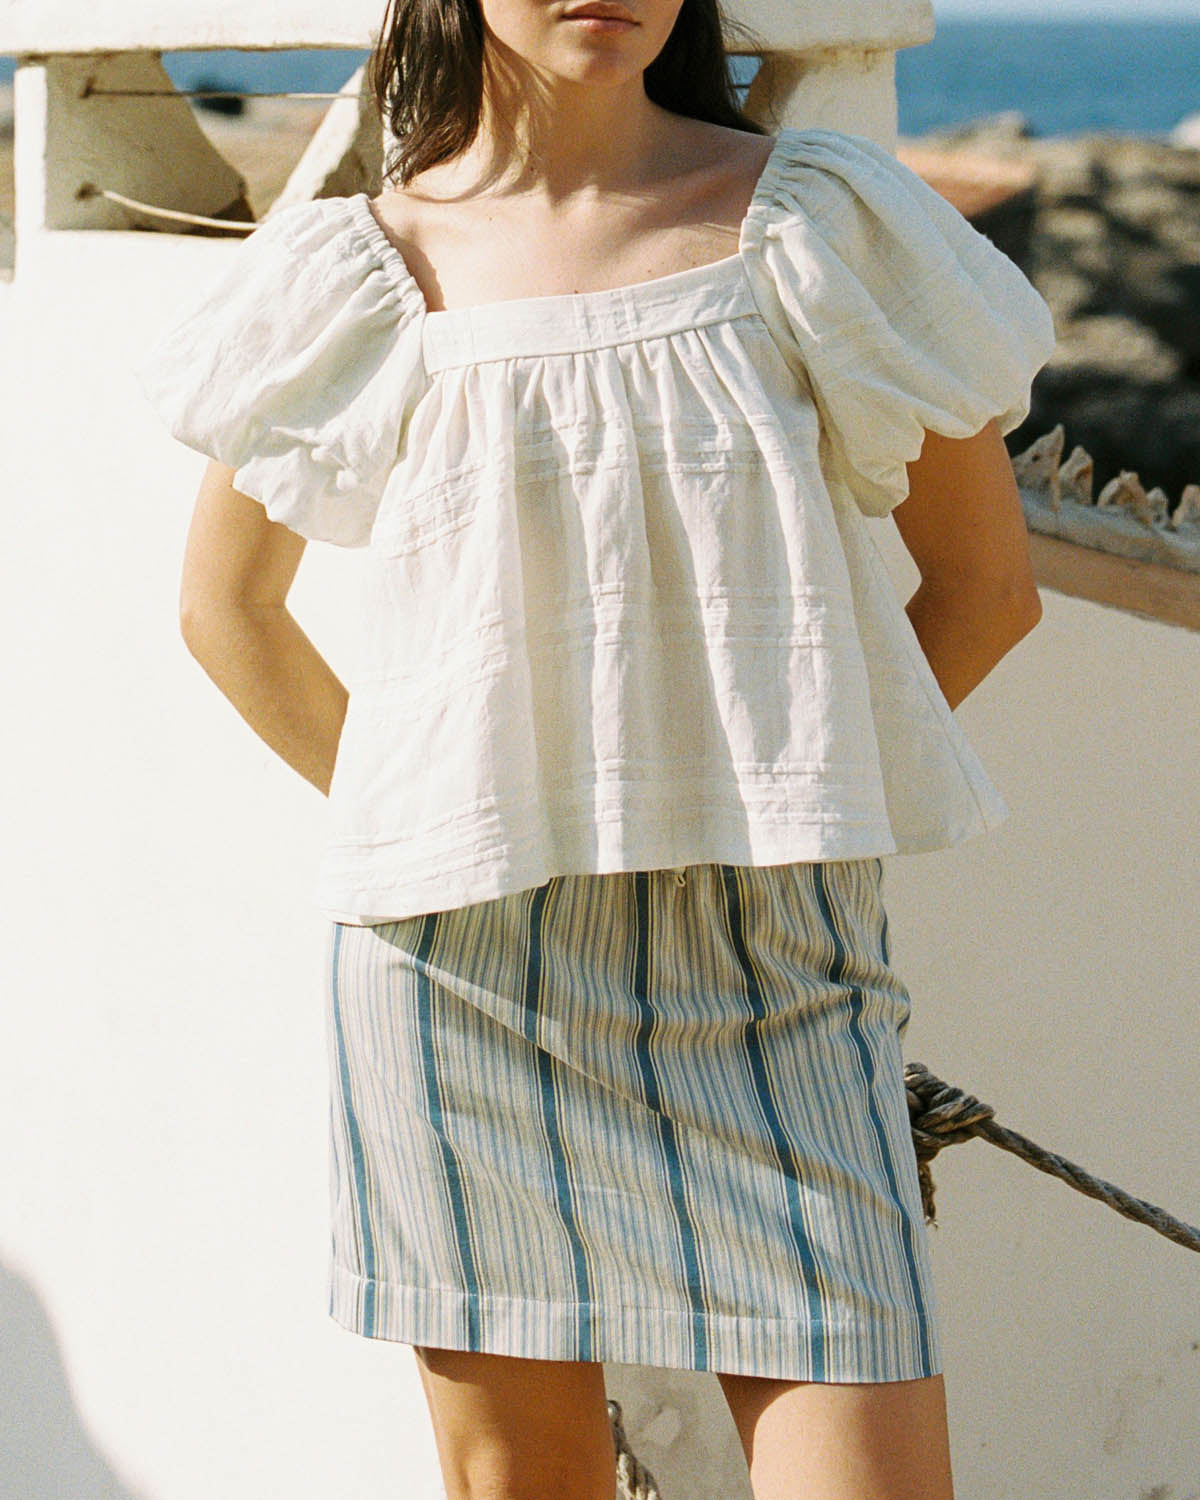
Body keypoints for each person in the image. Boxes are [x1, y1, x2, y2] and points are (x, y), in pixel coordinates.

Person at [133, 0, 1057, 1495]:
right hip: (461, 990)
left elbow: (986, 592)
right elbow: (225, 609)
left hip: (777, 976)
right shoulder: (360, 267)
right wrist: (460, 816)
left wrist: (770, 784)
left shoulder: (818, 224)